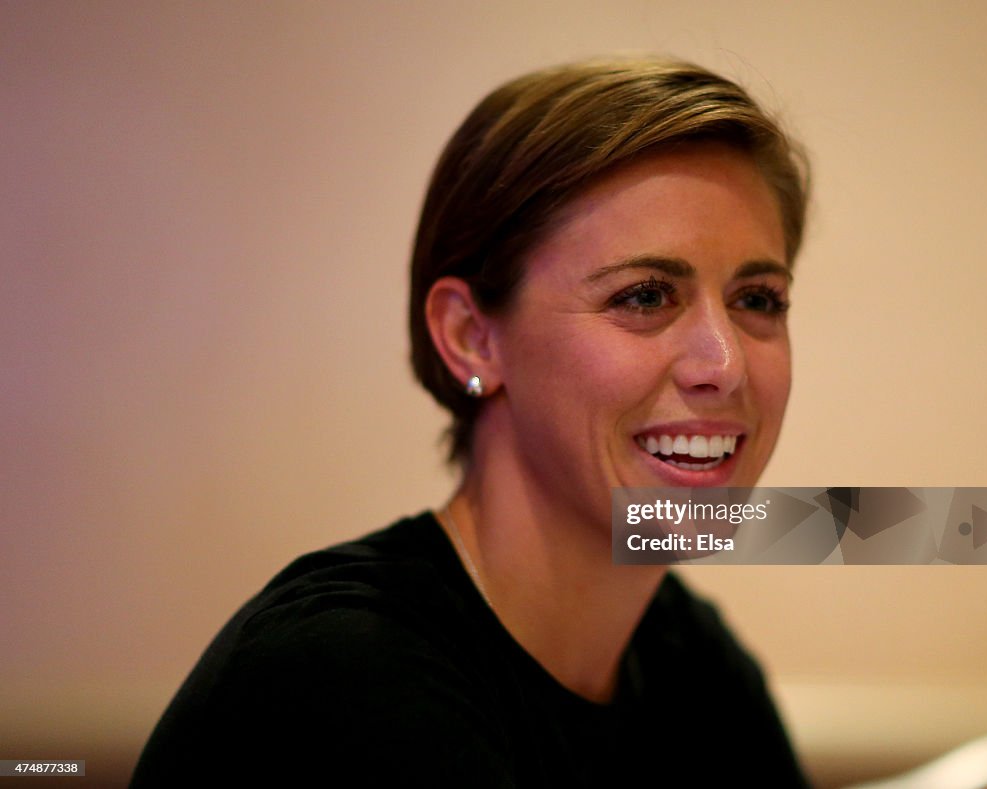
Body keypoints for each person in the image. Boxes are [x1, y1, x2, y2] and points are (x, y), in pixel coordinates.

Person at [131, 55, 811, 786]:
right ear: (470, 336)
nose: (726, 363)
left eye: (759, 300)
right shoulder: (343, 672)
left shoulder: (690, 663)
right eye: (644, 296)